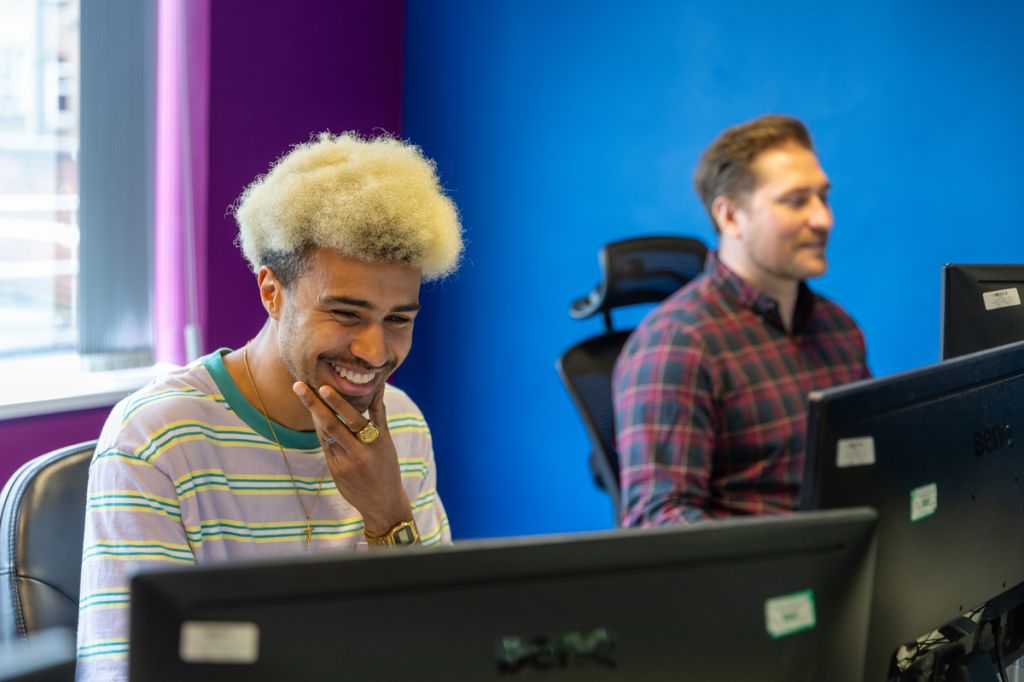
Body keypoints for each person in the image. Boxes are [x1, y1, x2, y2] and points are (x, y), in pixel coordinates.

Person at [75, 132, 463, 680]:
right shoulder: (157, 438)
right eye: (347, 314)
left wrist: (387, 514)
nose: (375, 352)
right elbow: (122, 669)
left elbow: (442, 647)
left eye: (399, 319)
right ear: (271, 291)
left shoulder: (399, 421)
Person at [613, 114, 869, 527]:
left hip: (846, 560)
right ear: (730, 217)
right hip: (752, 581)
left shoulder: (839, 329)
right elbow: (658, 519)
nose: (824, 219)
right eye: (796, 200)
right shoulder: (678, 343)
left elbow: (868, 463)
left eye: (823, 197)